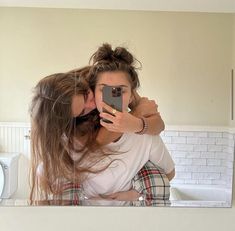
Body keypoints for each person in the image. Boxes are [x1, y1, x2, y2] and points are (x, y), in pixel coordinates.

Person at [29, 66, 169, 203]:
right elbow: (97, 143)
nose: (92, 105)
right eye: (82, 111)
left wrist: (137, 123)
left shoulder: (99, 78)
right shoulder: (70, 133)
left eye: (86, 96)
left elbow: (159, 124)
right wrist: (136, 114)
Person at [72, 43, 175, 201]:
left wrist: (136, 193)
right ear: (93, 91)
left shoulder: (145, 136)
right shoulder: (75, 131)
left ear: (132, 95)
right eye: (104, 89)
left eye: (120, 90)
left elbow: (169, 173)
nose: (112, 97)